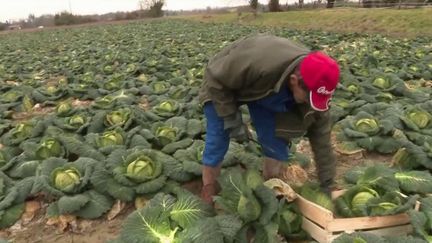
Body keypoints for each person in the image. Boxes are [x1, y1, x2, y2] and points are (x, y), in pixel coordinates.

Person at [198, 34, 340, 205]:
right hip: (223, 81)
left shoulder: (318, 84)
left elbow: (322, 139)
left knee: (275, 140)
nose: (311, 103)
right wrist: (231, 118)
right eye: (309, 97)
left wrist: (328, 184)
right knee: (218, 135)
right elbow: (216, 79)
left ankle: (271, 185)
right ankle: (209, 189)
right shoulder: (259, 64)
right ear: (294, 81)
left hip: (269, 89)